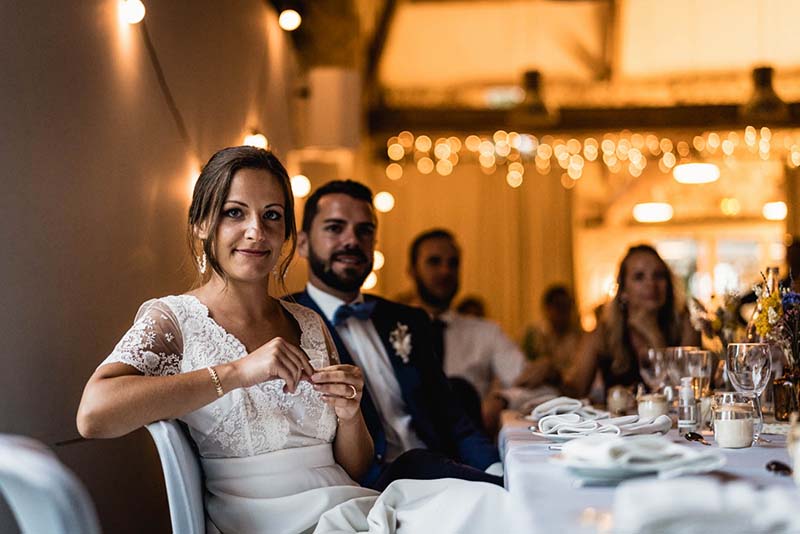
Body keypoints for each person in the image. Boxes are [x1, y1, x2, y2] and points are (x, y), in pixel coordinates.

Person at [76, 148, 516, 534]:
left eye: (272, 215)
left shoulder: (309, 323)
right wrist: (236, 372)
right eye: (235, 213)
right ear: (201, 224)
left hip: (348, 505)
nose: (257, 231)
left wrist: (349, 415)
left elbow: (355, 466)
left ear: (287, 233)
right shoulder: (174, 319)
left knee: (493, 506)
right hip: (266, 521)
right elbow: (93, 415)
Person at [291, 181, 502, 490]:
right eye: (335, 228)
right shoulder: (287, 323)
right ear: (303, 244)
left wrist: (497, 473)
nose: (352, 240)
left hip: (443, 472)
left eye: (364, 231)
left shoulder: (407, 320)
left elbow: (454, 419)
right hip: (367, 487)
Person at [406, 229, 537, 434]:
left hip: (469, 443)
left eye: (453, 263)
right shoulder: (389, 327)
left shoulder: (486, 332)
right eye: (434, 262)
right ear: (412, 270)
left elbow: (537, 388)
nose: (445, 271)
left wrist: (504, 399)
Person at [563, 244, 700, 398]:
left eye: (659, 275)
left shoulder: (686, 325)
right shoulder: (602, 334)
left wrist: (653, 335)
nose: (651, 284)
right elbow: (575, 391)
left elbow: (686, 391)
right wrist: (552, 375)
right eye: (639, 277)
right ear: (623, 290)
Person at [521, 284, 584, 389]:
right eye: (559, 307)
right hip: (538, 388)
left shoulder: (579, 337)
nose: (564, 313)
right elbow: (525, 367)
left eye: (567, 307)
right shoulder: (533, 335)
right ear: (547, 308)